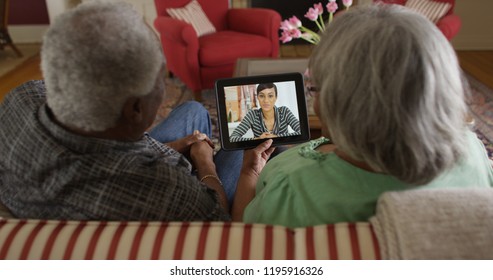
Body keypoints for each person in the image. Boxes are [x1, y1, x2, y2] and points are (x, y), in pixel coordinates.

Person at [232, 4, 493, 228]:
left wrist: (249, 174)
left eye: (317, 88)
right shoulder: (474, 153)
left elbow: (247, 238)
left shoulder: (292, 187)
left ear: (336, 104)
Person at [0, 1, 245, 221]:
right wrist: (204, 162)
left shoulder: (21, 98)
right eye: (161, 81)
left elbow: (105, 150)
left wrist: (173, 148)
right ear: (135, 109)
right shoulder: (169, 190)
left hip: (77, 173)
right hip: (127, 188)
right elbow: (217, 218)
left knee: (193, 109)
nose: (164, 88)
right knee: (249, 146)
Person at [230, 83, 301, 142]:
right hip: (261, 153)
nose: (266, 100)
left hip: (282, 152)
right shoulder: (252, 115)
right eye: (261, 96)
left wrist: (276, 137)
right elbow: (233, 138)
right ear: (257, 97)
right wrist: (257, 139)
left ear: (275, 98)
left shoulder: (284, 111)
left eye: (270, 96)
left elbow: (301, 131)